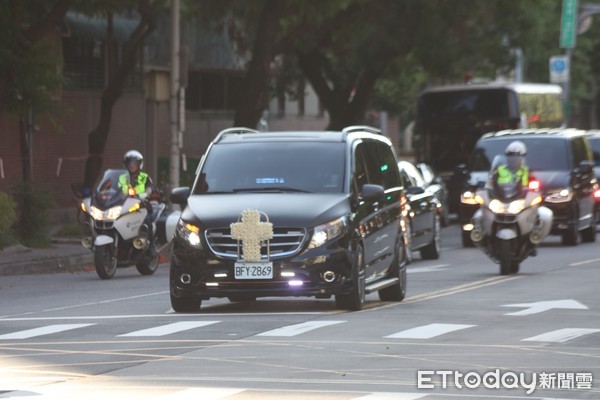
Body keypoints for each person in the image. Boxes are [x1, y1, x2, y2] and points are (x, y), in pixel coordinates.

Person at [118, 150, 157, 256]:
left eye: (134, 163)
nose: (131, 165)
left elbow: (150, 187)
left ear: (139, 164)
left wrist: (146, 193)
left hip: (141, 207)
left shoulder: (145, 177)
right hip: (124, 207)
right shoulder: (121, 178)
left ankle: (151, 248)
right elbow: (114, 188)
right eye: (129, 163)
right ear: (125, 164)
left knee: (147, 223)